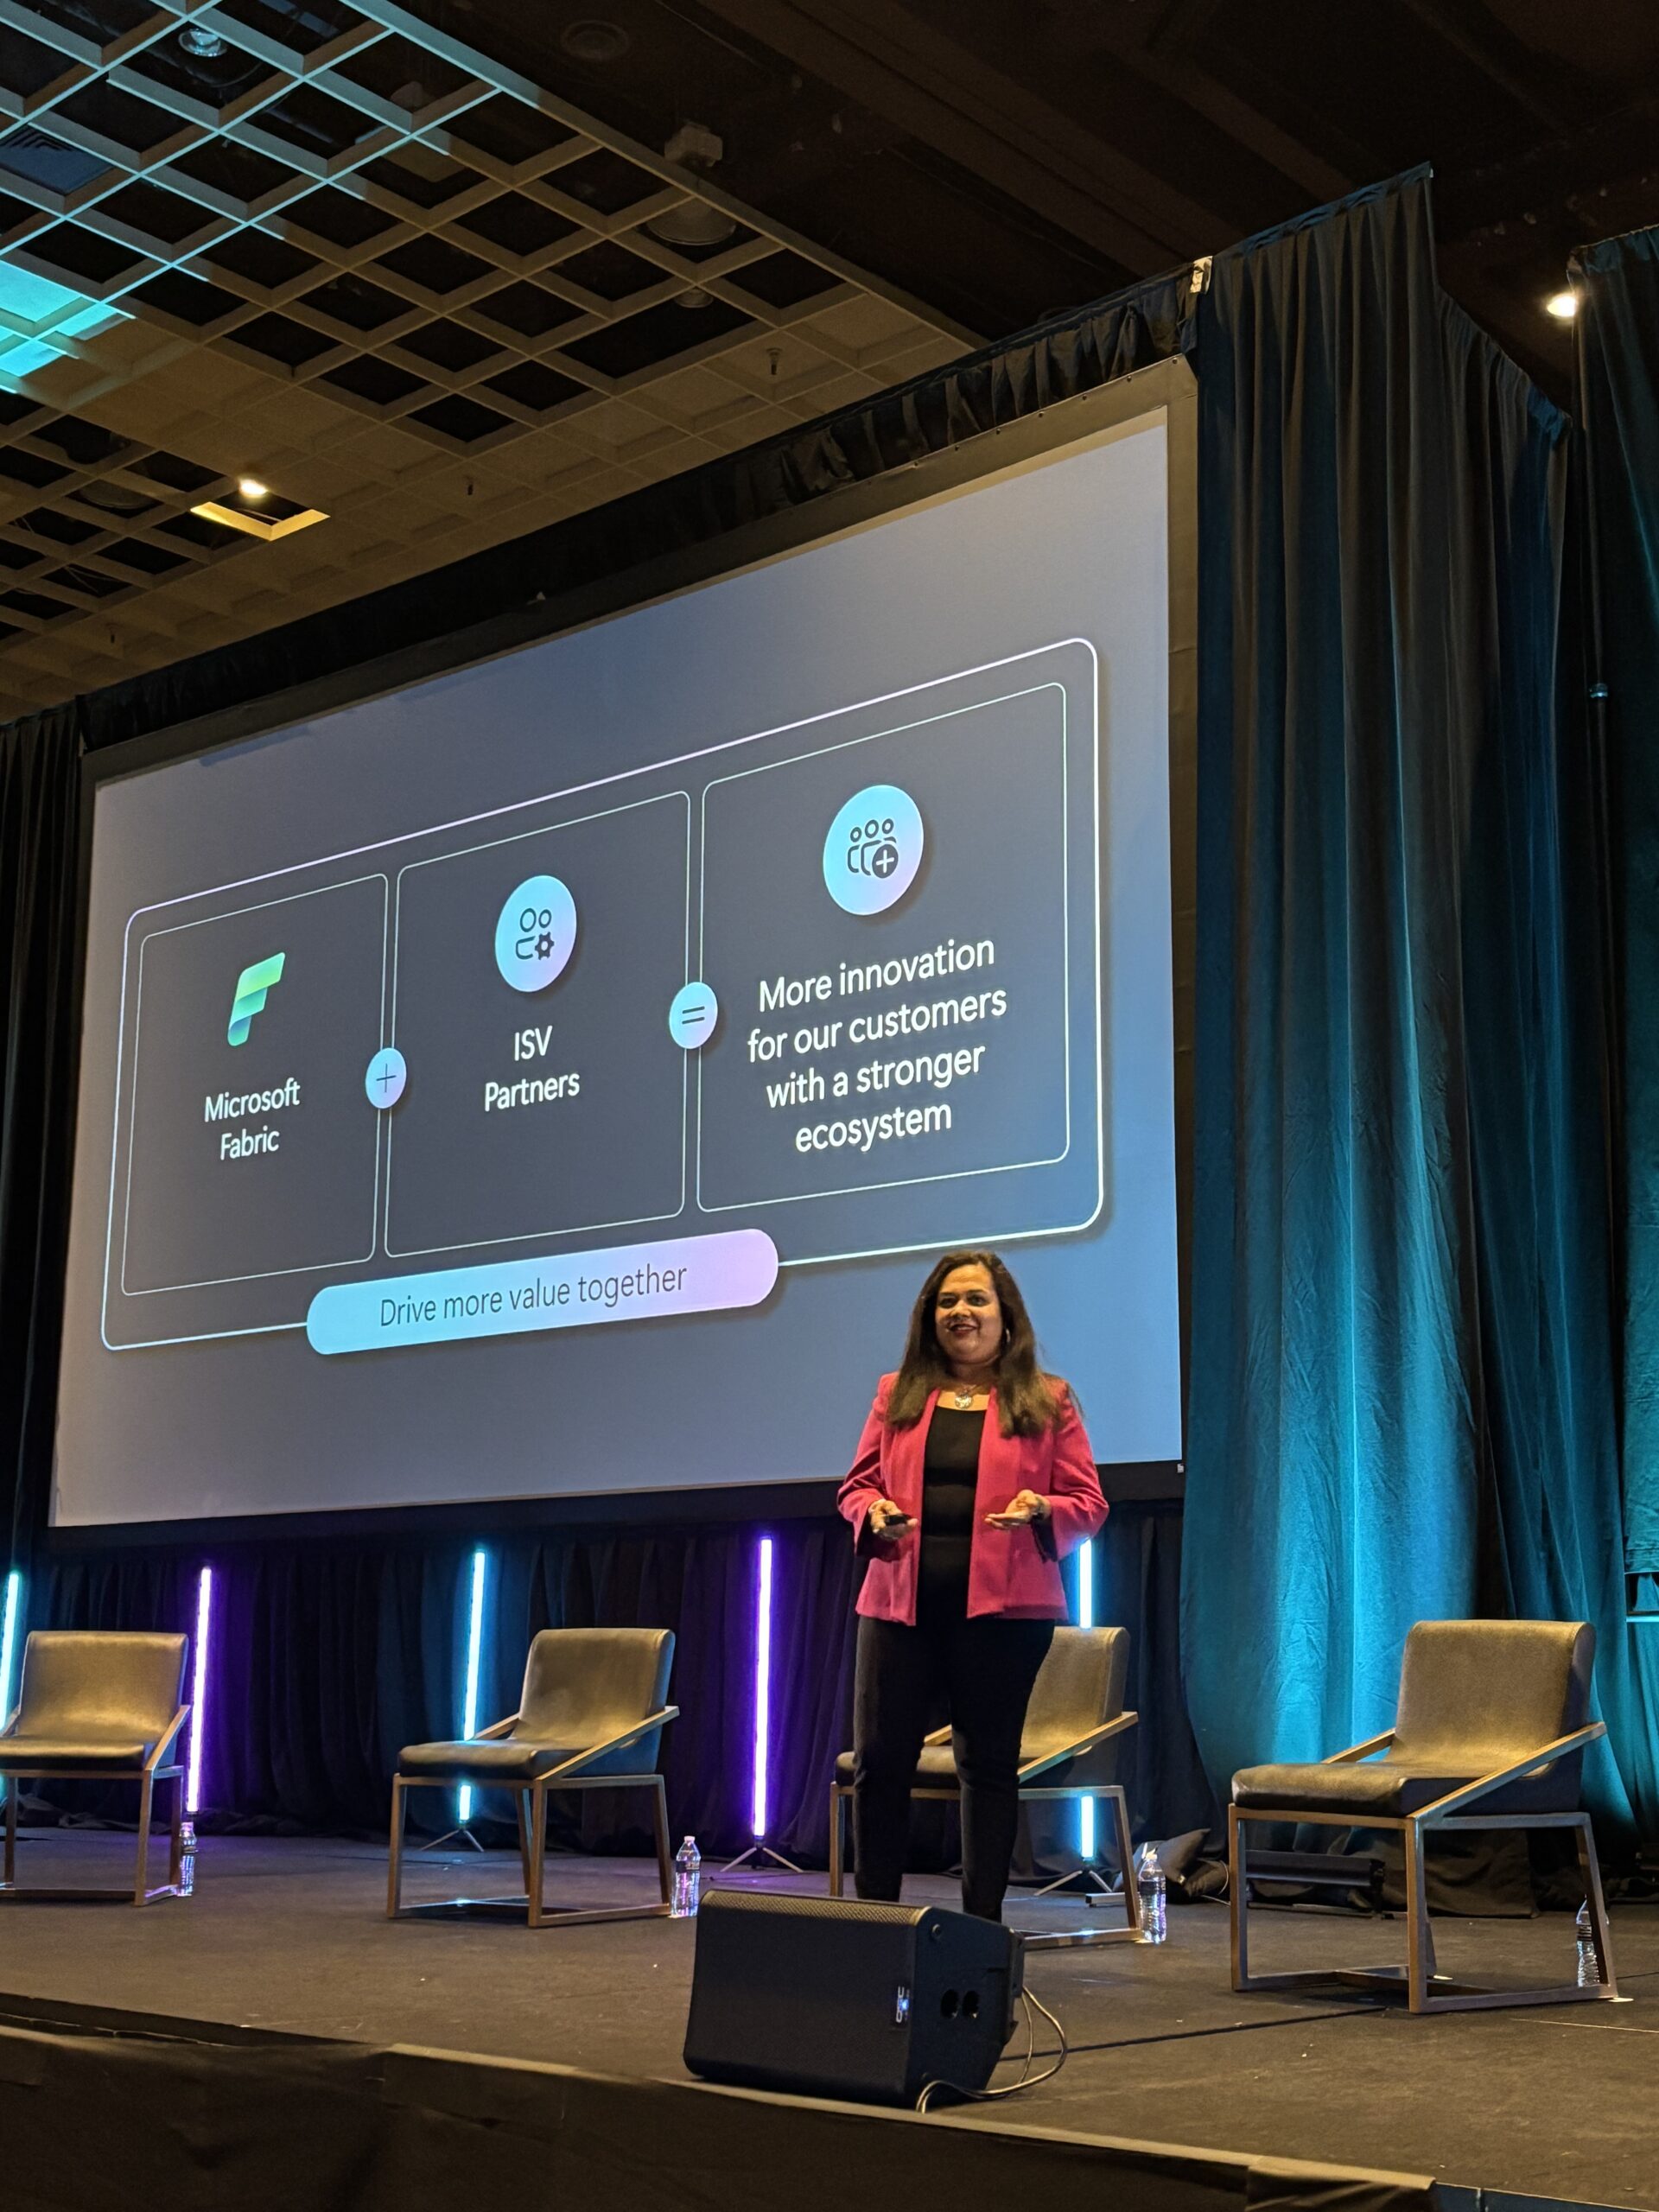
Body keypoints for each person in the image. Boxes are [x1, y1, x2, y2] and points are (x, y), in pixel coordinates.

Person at [837, 1249, 1107, 1921]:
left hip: (1005, 1617)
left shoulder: (1047, 1399)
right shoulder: (896, 1394)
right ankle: (876, 1925)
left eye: (976, 1299)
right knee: (879, 1765)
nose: (961, 1312)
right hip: (898, 1609)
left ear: (1005, 1316)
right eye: (948, 1301)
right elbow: (857, 1486)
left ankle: (981, 1930)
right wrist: (873, 1511)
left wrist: (1044, 1509)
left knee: (986, 1769)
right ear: (930, 1318)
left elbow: (1088, 1501)